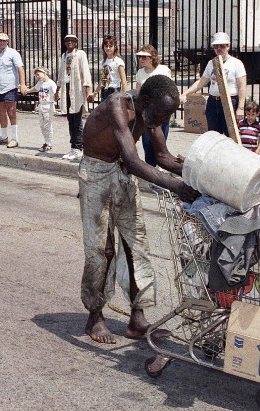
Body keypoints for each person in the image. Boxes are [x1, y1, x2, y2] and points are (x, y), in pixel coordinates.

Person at [79, 74, 199, 344]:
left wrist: (200, 171)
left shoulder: (150, 110)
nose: (163, 122)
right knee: (102, 248)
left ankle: (137, 316)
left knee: (137, 245)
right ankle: (95, 315)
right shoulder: (118, 105)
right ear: (145, 101)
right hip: (97, 174)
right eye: (162, 115)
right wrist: (176, 187)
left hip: (121, 174)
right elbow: (134, 161)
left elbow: (163, 157)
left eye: (168, 116)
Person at [180, 32, 247, 135]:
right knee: (213, 135)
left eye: (222, 46)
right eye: (216, 46)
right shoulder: (211, 63)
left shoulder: (236, 63)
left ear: (228, 46)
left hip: (230, 101)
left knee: (231, 134)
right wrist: (185, 93)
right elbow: (202, 81)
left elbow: (242, 87)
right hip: (213, 102)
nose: (219, 49)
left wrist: (240, 108)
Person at [133, 45, 172, 167]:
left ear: (152, 58)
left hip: (161, 112)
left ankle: (160, 168)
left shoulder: (163, 70)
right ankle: (150, 168)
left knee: (160, 142)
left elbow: (169, 91)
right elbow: (138, 92)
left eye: (144, 57)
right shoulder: (140, 73)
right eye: (139, 57)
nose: (141, 59)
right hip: (147, 113)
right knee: (147, 142)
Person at [55, 34, 91, 160]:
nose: (69, 42)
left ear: (76, 43)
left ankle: (79, 147)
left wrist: (87, 88)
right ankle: (73, 147)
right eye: (67, 41)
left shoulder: (80, 54)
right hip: (67, 89)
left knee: (77, 119)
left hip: (77, 89)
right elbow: (61, 73)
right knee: (70, 119)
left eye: (72, 41)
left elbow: (85, 71)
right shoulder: (64, 56)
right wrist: (58, 89)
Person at [0, 32, 26, 148]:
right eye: (0, 40)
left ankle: (15, 138)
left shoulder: (13, 53)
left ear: (7, 42)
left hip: (10, 87)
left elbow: (20, 69)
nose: (2, 43)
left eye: (4, 41)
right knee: (0, 112)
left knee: (11, 112)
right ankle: (4, 136)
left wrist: (22, 84)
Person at [23, 66, 57, 152]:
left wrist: (56, 100)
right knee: (42, 125)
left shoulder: (51, 84)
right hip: (41, 105)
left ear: (44, 73)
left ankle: (48, 143)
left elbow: (56, 94)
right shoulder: (40, 83)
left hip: (48, 106)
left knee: (47, 125)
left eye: (38, 74)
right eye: (36, 75)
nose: (37, 77)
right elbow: (35, 88)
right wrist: (27, 91)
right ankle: (46, 141)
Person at [92, 34, 127, 101]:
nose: (108, 48)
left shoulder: (118, 62)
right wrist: (95, 93)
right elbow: (102, 80)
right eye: (106, 46)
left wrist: (125, 96)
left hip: (114, 91)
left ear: (115, 47)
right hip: (104, 91)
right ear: (103, 47)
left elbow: (124, 81)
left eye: (110, 46)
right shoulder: (103, 62)